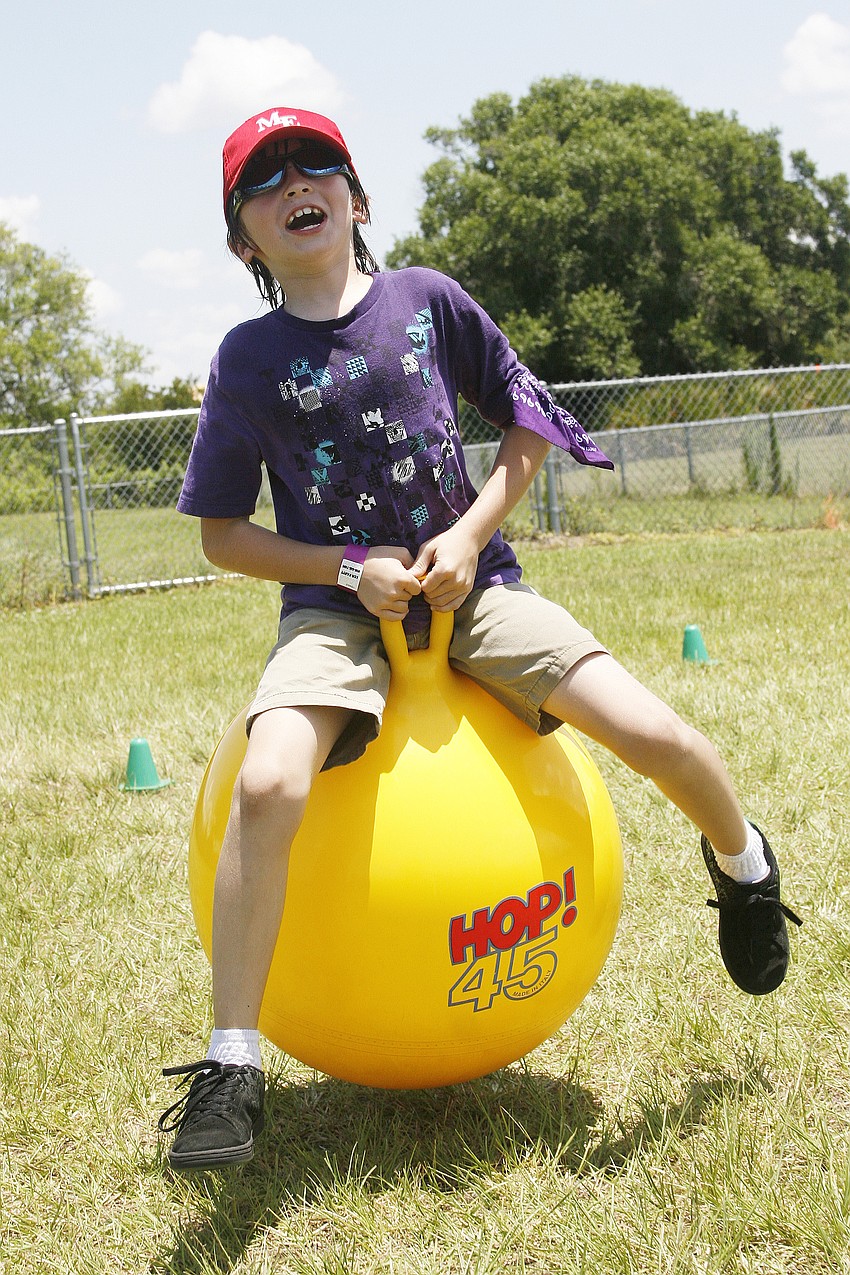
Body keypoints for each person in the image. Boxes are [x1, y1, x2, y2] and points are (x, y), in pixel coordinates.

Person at [159, 107, 801, 1171]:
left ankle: (746, 864)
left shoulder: (426, 298)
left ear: (356, 198)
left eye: (315, 163)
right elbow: (223, 533)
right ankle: (232, 1065)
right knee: (267, 783)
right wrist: (344, 570)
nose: (295, 184)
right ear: (243, 241)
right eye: (264, 180)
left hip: (478, 587)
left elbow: (525, 419)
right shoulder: (247, 359)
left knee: (656, 732)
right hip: (336, 611)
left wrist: (465, 536)